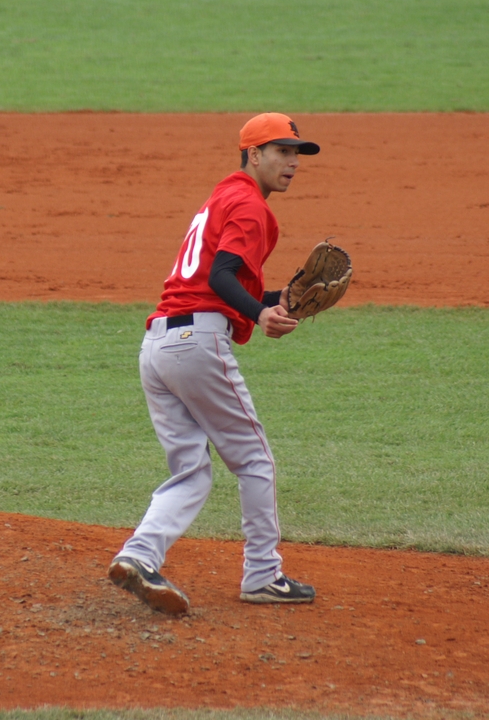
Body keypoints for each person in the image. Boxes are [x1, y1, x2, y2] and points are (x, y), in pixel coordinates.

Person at [108, 112, 319, 615]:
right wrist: (260, 314)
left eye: (296, 153)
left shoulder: (223, 196)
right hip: (197, 345)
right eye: (282, 152)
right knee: (254, 461)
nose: (292, 162)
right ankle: (263, 575)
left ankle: (138, 555)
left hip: (158, 346)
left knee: (191, 471)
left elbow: (215, 280)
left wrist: (276, 298)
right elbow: (223, 277)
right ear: (254, 154)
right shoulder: (250, 206)